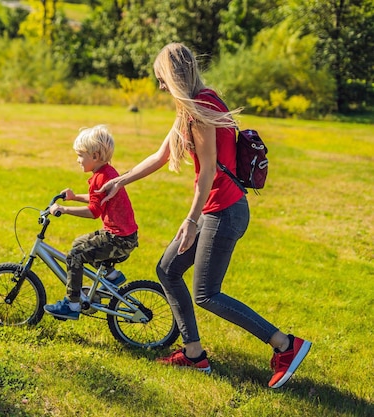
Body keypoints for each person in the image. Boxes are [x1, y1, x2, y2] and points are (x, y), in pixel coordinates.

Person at [97, 43, 311, 389]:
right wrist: (119, 181)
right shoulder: (199, 103)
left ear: (172, 76)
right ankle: (194, 354)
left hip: (223, 211)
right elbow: (160, 155)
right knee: (168, 269)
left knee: (207, 293)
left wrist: (192, 220)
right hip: (222, 208)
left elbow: (208, 170)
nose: (161, 88)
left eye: (161, 80)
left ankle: (286, 346)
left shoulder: (199, 108)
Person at [43, 125, 139, 321]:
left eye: (80, 155)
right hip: (124, 236)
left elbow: (94, 211)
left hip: (117, 239)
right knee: (80, 243)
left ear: (95, 156)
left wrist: (64, 209)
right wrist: (74, 197)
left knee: (75, 255)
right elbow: (97, 198)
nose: (78, 160)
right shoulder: (107, 172)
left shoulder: (100, 177)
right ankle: (112, 276)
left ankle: (72, 304)